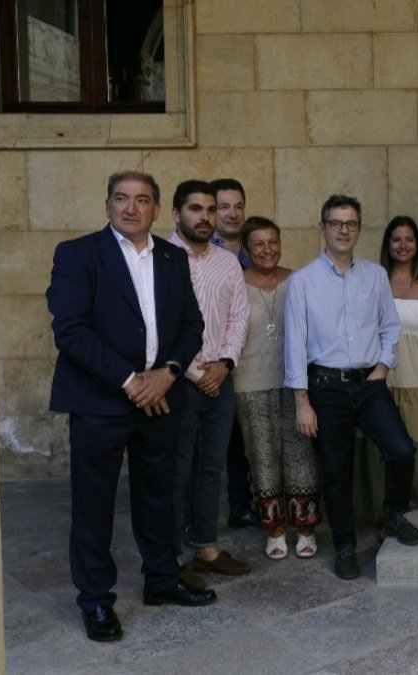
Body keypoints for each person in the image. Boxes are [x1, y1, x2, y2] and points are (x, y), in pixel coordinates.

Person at [48, 171, 216, 642]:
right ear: (107, 206)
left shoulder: (171, 258)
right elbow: (72, 331)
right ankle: (97, 601)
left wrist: (168, 373)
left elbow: (191, 324)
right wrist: (129, 381)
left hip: (161, 400)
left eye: (142, 200)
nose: (130, 208)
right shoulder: (78, 255)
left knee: (160, 495)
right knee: (94, 505)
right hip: (99, 401)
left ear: (156, 211)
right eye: (121, 199)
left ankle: (161, 580)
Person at [284, 194, 418, 581]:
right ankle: (345, 546)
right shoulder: (303, 282)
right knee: (336, 471)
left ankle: (394, 516)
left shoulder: (375, 275)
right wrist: (302, 402)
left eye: (351, 224)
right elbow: (294, 344)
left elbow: (389, 327)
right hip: (325, 387)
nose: (344, 230)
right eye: (336, 223)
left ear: (359, 229)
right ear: (323, 228)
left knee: (402, 449)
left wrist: (382, 365)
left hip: (368, 384)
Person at [168, 180, 252, 580]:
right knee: (176, 469)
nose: (205, 217)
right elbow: (159, 324)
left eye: (210, 210)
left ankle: (207, 547)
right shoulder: (161, 259)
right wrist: (191, 370)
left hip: (220, 380)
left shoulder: (228, 263)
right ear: (176, 213)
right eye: (195, 209)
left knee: (212, 468)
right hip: (176, 382)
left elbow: (239, 317)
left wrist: (225, 363)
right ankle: (171, 557)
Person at [233, 216, 321, 560]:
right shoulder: (235, 283)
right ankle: (274, 529)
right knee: (262, 456)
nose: (267, 249)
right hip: (249, 383)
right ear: (246, 248)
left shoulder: (298, 280)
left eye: (273, 242)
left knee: (302, 454)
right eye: (258, 243)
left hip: (294, 381)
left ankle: (307, 526)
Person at [353, 216, 418, 516]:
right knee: (378, 437)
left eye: (409, 239)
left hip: (417, 370)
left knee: (417, 435)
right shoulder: (373, 279)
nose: (403, 245)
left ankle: (413, 498)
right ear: (388, 244)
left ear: (417, 244)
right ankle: (380, 502)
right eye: (396, 239)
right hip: (378, 372)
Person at [208, 177, 258, 530]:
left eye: (238, 206)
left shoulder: (254, 248)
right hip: (211, 364)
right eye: (223, 206)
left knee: (242, 442)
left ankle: (241, 507)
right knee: (210, 449)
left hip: (251, 358)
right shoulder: (198, 251)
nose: (232, 213)